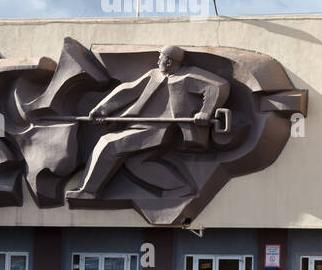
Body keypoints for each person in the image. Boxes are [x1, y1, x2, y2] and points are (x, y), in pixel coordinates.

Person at [66, 45, 229, 201]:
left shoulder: (187, 77)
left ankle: (88, 191)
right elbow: (130, 90)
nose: (158, 61)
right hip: (138, 126)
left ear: (169, 61)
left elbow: (217, 87)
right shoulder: (154, 75)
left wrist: (205, 112)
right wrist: (102, 109)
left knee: (108, 143)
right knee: (137, 164)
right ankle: (180, 189)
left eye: (161, 58)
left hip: (159, 131)